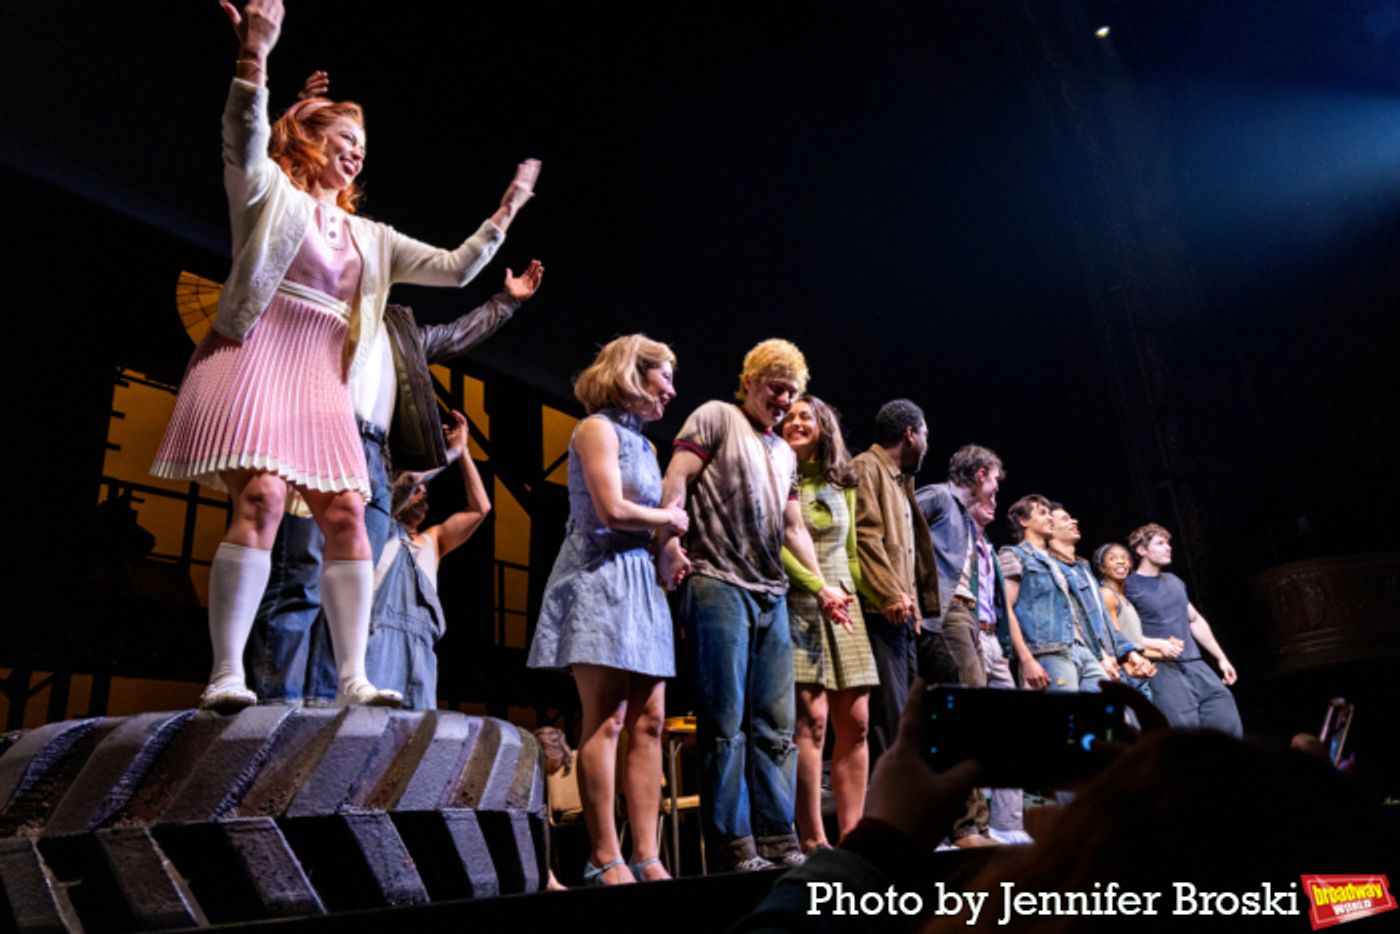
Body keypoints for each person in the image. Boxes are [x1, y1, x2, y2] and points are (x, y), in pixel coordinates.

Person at [150, 0, 538, 712]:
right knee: (264, 499)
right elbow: (241, 138)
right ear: (307, 140)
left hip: (320, 377)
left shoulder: (373, 236)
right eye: (344, 136)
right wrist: (255, 57)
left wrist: (508, 209)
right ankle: (226, 674)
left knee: (347, 519)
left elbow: (454, 268)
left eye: (363, 141)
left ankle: (355, 676)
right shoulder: (268, 195)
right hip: (261, 353)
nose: (357, 149)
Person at [243, 69, 543, 707]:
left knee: (351, 591)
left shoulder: (400, 329)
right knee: (298, 578)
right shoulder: (309, 287)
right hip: (312, 429)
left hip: (371, 459)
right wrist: (292, 117)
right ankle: (278, 709)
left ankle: (325, 713)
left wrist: (507, 298)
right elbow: (270, 189)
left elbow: (456, 322)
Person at [659, 338, 852, 872]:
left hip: (771, 596)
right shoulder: (716, 417)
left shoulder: (784, 452)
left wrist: (820, 585)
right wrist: (669, 543)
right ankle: (732, 844)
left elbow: (792, 527)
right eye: (774, 387)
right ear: (748, 382)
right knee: (725, 722)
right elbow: (676, 480)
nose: (783, 399)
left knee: (776, 726)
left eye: (790, 392)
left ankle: (777, 839)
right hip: (718, 582)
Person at [527, 335, 685, 885]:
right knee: (609, 718)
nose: (671, 390)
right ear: (632, 374)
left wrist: (669, 552)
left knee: (650, 722)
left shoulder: (646, 446)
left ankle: (647, 855)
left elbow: (647, 522)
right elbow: (612, 510)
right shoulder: (594, 429)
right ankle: (604, 855)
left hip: (639, 582)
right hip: (597, 579)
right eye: (664, 376)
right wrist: (668, 521)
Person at [779, 395, 879, 853]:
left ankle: (853, 835)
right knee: (812, 722)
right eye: (789, 416)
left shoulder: (844, 482)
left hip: (845, 603)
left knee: (856, 723)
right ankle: (814, 837)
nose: (795, 422)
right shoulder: (777, 473)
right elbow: (777, 542)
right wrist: (817, 587)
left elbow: (853, 551)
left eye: (806, 416)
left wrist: (859, 596)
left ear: (824, 426)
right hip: (800, 598)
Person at [363, 411, 490, 710]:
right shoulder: (379, 529)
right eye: (416, 492)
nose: (422, 496)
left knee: (415, 738)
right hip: (378, 638)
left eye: (425, 492)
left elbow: (481, 507)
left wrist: (465, 454)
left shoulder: (431, 541)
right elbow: (406, 482)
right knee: (370, 723)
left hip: (421, 648)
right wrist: (449, 453)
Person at [914, 445, 1005, 848]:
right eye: (996, 480)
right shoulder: (936, 496)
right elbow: (898, 537)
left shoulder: (967, 520)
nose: (996, 488)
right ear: (982, 474)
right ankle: (965, 827)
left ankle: (976, 825)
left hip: (964, 615)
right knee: (965, 714)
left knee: (976, 718)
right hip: (945, 612)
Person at [850, 400, 940, 765]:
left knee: (905, 717)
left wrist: (915, 605)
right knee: (889, 719)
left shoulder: (901, 482)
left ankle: (906, 807)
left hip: (901, 614)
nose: (927, 445)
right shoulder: (866, 468)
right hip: (879, 611)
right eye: (926, 436)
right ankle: (891, 812)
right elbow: (864, 537)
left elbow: (907, 554)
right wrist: (889, 594)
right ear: (911, 434)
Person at [1124, 524, 1242, 736]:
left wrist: (1221, 658)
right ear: (1141, 550)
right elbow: (1121, 632)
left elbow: (1194, 620)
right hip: (1164, 668)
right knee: (1184, 733)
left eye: (1168, 543)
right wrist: (1155, 644)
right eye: (1160, 543)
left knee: (1224, 710)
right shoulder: (1130, 586)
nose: (1168, 547)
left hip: (1195, 664)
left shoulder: (1174, 581)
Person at [1093, 542, 1185, 699]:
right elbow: (1118, 641)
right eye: (1113, 558)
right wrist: (1160, 646)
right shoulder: (1107, 595)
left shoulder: (1124, 597)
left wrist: (1168, 650)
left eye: (1124, 558)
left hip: (1139, 673)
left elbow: (1135, 644)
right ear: (1102, 567)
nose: (1121, 561)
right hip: (1126, 674)